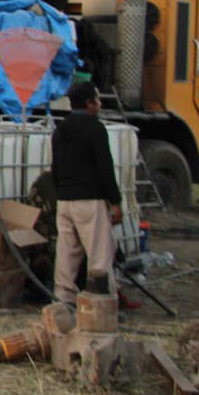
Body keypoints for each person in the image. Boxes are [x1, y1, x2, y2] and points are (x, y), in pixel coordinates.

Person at [51, 79, 123, 304]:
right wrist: (115, 201)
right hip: (89, 201)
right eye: (98, 99)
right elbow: (105, 167)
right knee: (99, 254)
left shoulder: (60, 129)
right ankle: (100, 303)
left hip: (64, 200)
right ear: (90, 103)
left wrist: (61, 192)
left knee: (66, 254)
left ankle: (63, 301)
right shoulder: (95, 128)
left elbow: (56, 167)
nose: (100, 103)